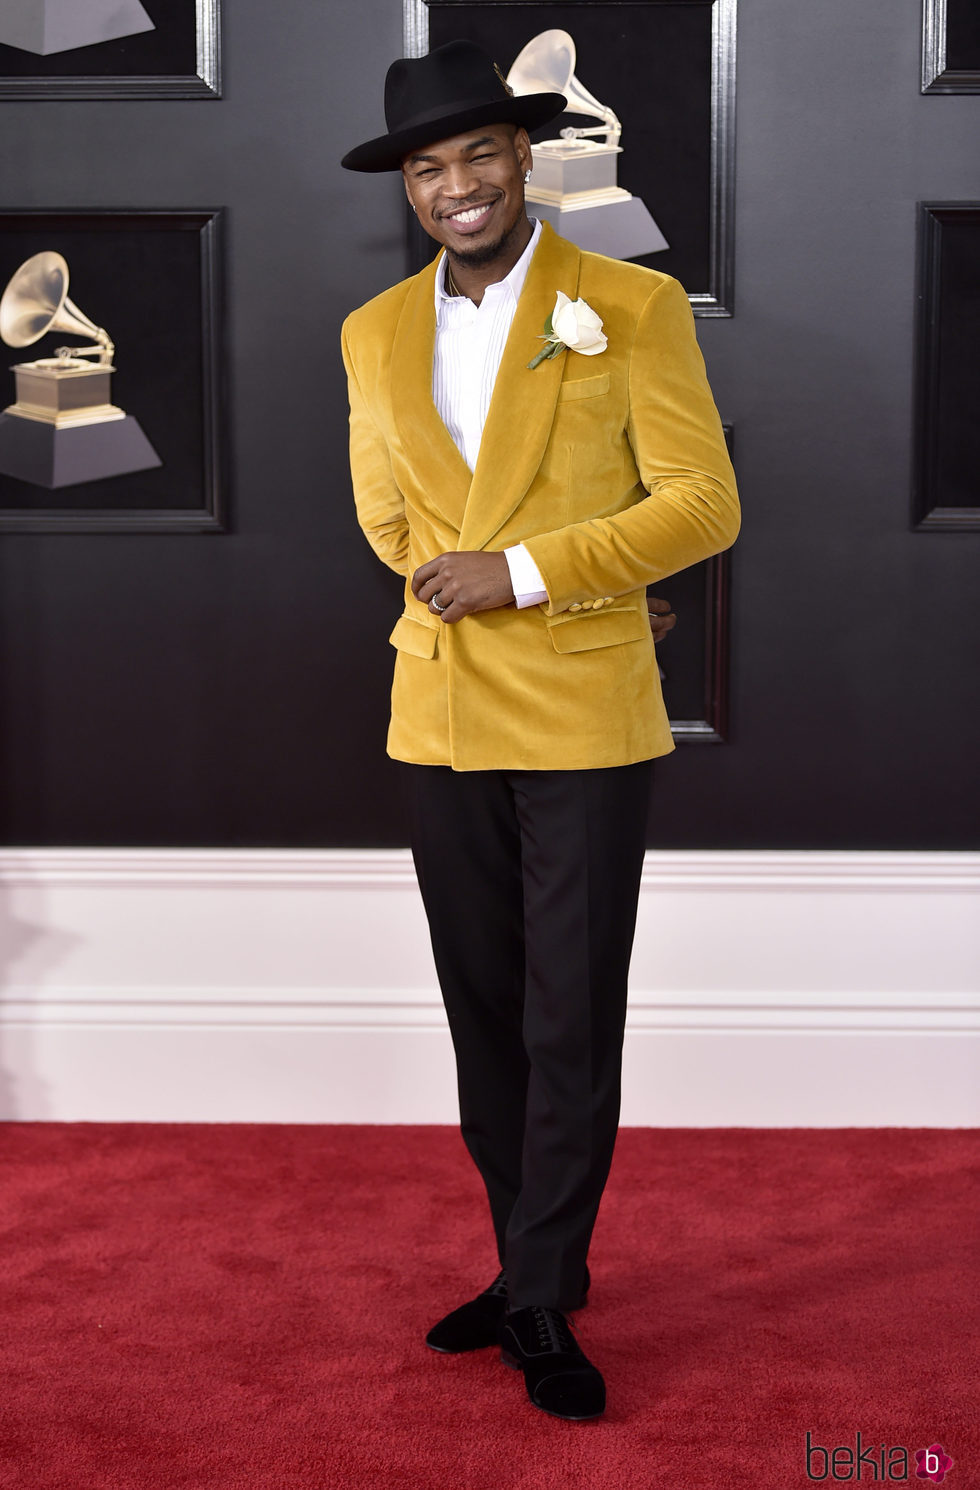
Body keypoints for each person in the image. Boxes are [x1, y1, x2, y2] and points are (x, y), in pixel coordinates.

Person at [340, 39, 739, 1422]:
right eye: (427, 166)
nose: (456, 185)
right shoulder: (371, 331)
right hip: (437, 705)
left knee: (570, 1019)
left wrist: (527, 574)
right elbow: (389, 515)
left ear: (526, 163)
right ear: (409, 186)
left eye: (480, 156)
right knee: (488, 1014)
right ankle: (525, 1264)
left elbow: (701, 506)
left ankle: (544, 1294)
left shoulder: (625, 304)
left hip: (579, 705)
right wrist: (452, 574)